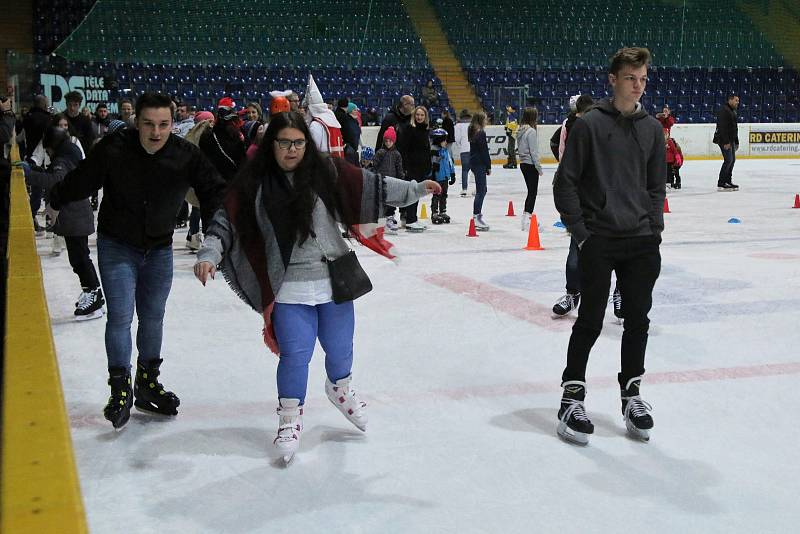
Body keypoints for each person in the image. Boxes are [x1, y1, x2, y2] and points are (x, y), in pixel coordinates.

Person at [193, 111, 440, 461]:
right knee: (296, 355)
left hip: (334, 277)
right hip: (290, 287)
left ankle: (340, 389)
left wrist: (416, 189)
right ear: (271, 145)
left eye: (298, 142)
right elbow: (225, 221)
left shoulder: (327, 172)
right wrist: (209, 253)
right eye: (284, 143)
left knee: (341, 348)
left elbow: (372, 185)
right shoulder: (254, 183)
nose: (291, 150)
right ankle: (289, 418)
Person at [47, 92, 227, 430]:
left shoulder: (186, 155)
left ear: (172, 125)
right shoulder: (115, 148)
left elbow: (215, 192)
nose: (156, 133)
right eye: (148, 124)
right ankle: (120, 389)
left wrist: (216, 237)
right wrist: (55, 199)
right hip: (118, 246)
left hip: (158, 250)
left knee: (153, 318)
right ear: (137, 122)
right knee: (119, 317)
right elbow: (83, 178)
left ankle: (146, 384)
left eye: (163, 125)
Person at [552, 47, 665, 445]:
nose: (638, 86)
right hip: (599, 239)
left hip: (641, 243)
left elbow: (656, 186)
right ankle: (571, 397)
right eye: (631, 78)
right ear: (613, 79)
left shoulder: (652, 129)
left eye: (643, 79)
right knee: (590, 321)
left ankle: (631, 394)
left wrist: (654, 230)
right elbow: (564, 183)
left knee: (638, 322)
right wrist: (582, 234)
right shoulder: (589, 126)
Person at [21, 126, 103, 320]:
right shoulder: (69, 153)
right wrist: (33, 169)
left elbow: (56, 179)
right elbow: (55, 175)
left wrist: (29, 175)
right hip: (76, 216)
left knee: (80, 258)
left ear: (53, 146)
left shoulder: (62, 159)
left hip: (75, 217)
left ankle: (94, 295)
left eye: (48, 149)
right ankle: (93, 292)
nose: (47, 153)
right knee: (80, 258)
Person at [551, 94, 594, 318]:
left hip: (606, 200)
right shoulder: (568, 126)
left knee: (619, 253)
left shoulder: (601, 127)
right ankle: (572, 294)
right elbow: (557, 146)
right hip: (580, 197)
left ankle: (621, 292)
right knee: (575, 251)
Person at [396, 105, 432, 233]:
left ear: (425, 117)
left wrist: (429, 166)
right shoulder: (409, 129)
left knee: (417, 194)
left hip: (421, 167)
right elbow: (403, 149)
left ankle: (413, 218)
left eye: (422, 115)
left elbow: (426, 150)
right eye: (417, 115)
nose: (419, 117)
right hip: (411, 167)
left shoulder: (425, 130)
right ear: (414, 116)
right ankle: (410, 220)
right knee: (412, 194)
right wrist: (405, 167)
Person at [303, 74, 345, 159]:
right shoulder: (331, 119)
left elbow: (313, 148)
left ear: (310, 109)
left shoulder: (315, 125)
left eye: (306, 109)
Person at [372, 126, 404, 233]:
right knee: (381, 200)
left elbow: (399, 168)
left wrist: (401, 179)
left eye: (390, 141)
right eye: (386, 141)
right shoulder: (380, 152)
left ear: (394, 141)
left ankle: (390, 217)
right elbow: (374, 166)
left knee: (391, 200)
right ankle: (381, 219)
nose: (388, 143)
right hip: (382, 181)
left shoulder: (397, 154)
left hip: (393, 182)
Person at [516, 107, 543, 231]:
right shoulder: (531, 131)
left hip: (523, 163)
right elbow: (533, 151)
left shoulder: (521, 129)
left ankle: (526, 218)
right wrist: (538, 167)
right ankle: (527, 219)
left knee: (530, 192)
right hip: (530, 164)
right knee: (533, 192)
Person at [468, 111, 491, 231]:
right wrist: (488, 165)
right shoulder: (480, 133)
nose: (486, 121)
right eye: (485, 119)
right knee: (481, 190)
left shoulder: (472, 131)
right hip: (480, 164)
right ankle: (476, 216)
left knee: (482, 189)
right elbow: (484, 151)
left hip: (475, 163)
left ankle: (477, 215)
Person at [713, 94, 740, 191]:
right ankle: (721, 183)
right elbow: (722, 127)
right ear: (730, 100)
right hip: (725, 140)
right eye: (736, 100)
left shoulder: (732, 110)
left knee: (732, 160)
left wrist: (736, 141)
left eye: (738, 101)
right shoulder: (724, 110)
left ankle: (728, 180)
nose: (738, 102)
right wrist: (726, 142)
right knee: (728, 160)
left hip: (731, 140)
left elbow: (734, 128)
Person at [429, 128, 455, 224]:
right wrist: (432, 176)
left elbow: (450, 163)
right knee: (436, 195)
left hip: (445, 178)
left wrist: (452, 174)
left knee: (444, 195)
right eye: (444, 140)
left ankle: (443, 211)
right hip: (437, 178)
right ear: (439, 140)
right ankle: (434, 213)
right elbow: (432, 165)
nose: (446, 142)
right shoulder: (434, 152)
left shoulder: (445, 151)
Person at [454, 109, 471, 197]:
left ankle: (464, 189)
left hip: (464, 150)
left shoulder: (458, 125)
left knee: (465, 170)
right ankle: (477, 188)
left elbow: (457, 138)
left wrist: (460, 145)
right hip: (474, 149)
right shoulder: (473, 124)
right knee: (476, 170)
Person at [503, 105, 518, 169]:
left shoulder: (513, 114)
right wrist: (506, 128)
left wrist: (509, 130)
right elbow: (508, 122)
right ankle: (510, 162)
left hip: (512, 134)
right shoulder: (510, 115)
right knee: (509, 149)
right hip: (511, 133)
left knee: (511, 149)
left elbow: (513, 123)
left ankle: (513, 163)